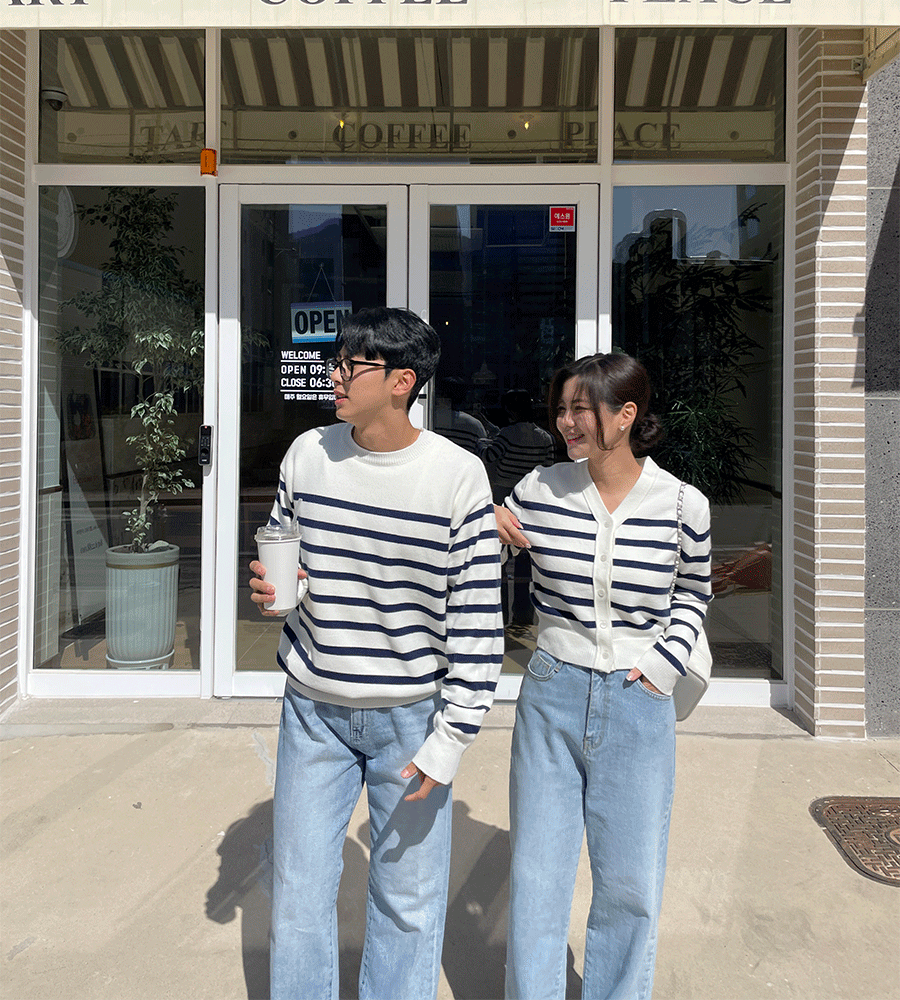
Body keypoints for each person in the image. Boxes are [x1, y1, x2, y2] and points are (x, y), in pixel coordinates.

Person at [249, 307, 504, 1000]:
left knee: (407, 903)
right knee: (299, 894)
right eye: (334, 362)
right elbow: (284, 552)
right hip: (313, 712)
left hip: (412, 718)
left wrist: (451, 738)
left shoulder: (457, 475)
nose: (332, 375)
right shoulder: (307, 454)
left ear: (401, 381)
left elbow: (478, 619)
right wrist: (278, 590)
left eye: (348, 365)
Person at [495, 353, 712, 1000]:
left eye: (580, 409)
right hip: (552, 690)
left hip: (637, 699)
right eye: (561, 409)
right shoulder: (540, 489)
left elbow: (693, 593)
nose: (566, 422)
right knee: (537, 877)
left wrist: (662, 667)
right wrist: (488, 523)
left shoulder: (683, 504)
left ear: (626, 415)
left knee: (629, 883)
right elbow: (481, 544)